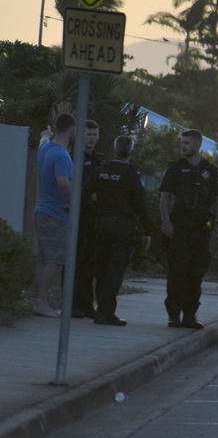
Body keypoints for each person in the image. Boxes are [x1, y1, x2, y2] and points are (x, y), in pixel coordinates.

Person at [159, 129, 218, 329]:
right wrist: (166, 222)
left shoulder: (210, 170)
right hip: (180, 224)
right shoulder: (175, 169)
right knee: (177, 271)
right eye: (182, 143)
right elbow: (165, 197)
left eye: (186, 143)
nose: (183, 146)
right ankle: (173, 314)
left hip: (201, 227)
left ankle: (190, 314)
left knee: (196, 272)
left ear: (197, 145)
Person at [88, 135, 151, 326]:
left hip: (101, 225)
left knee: (101, 269)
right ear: (130, 151)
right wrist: (149, 231)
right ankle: (107, 312)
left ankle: (101, 311)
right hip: (122, 227)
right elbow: (140, 205)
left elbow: (85, 193)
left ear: (114, 149)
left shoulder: (102, 170)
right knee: (114, 271)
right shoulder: (131, 174)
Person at [33, 114, 76, 317]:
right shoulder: (62, 155)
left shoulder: (46, 149)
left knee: (43, 259)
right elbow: (63, 182)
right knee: (56, 259)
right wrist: (71, 202)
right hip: (55, 213)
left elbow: (43, 139)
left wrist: (45, 135)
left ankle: (38, 301)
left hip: (41, 210)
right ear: (71, 130)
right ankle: (41, 302)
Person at [71, 119, 102, 319]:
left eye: (94, 135)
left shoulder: (100, 161)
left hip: (95, 218)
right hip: (77, 216)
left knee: (90, 262)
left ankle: (86, 303)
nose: (90, 139)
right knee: (75, 261)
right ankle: (73, 304)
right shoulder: (73, 157)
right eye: (87, 135)